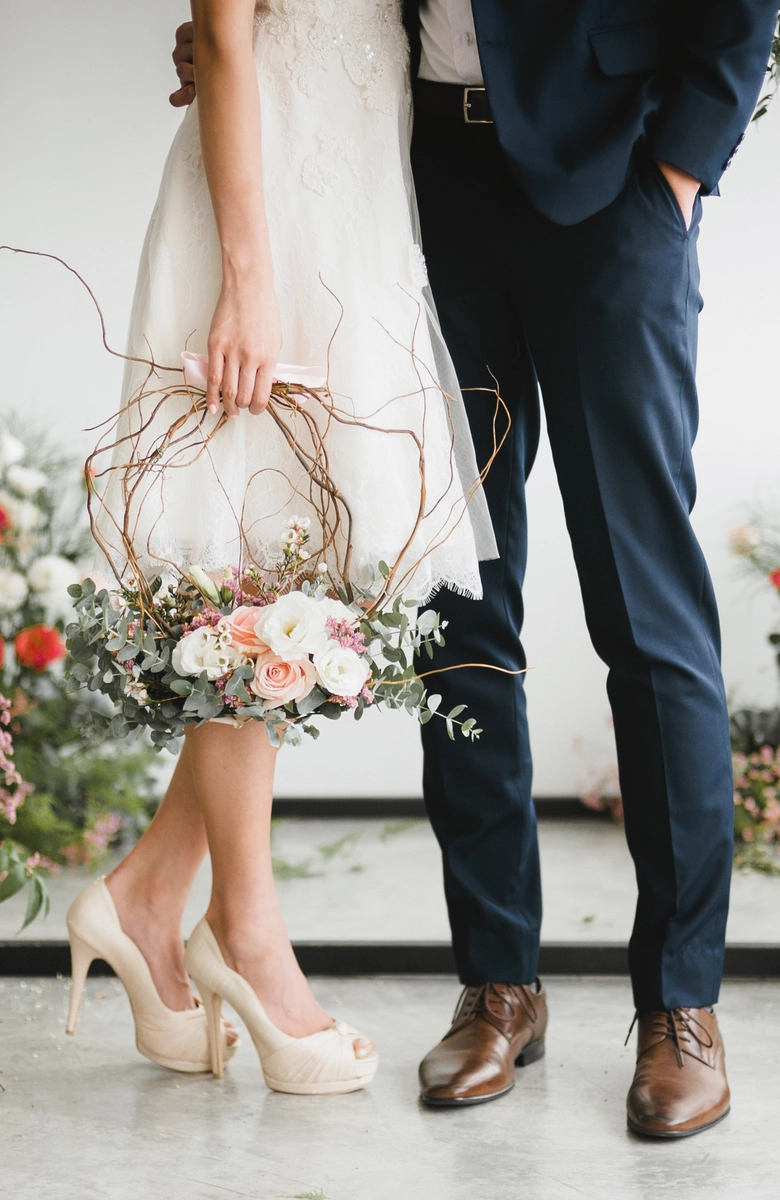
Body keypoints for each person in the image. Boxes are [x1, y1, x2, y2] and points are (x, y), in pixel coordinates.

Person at [172, 0, 780, 1135]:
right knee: (461, 606)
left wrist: (677, 177)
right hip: (432, 183)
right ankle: (499, 983)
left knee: (648, 618)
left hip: (617, 181)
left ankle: (682, 1007)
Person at [65, 0, 495, 1097]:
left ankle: (152, 895)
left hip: (353, 189)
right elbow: (223, 30)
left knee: (288, 571)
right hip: (261, 222)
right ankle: (245, 935)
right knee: (241, 566)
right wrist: (249, 283)